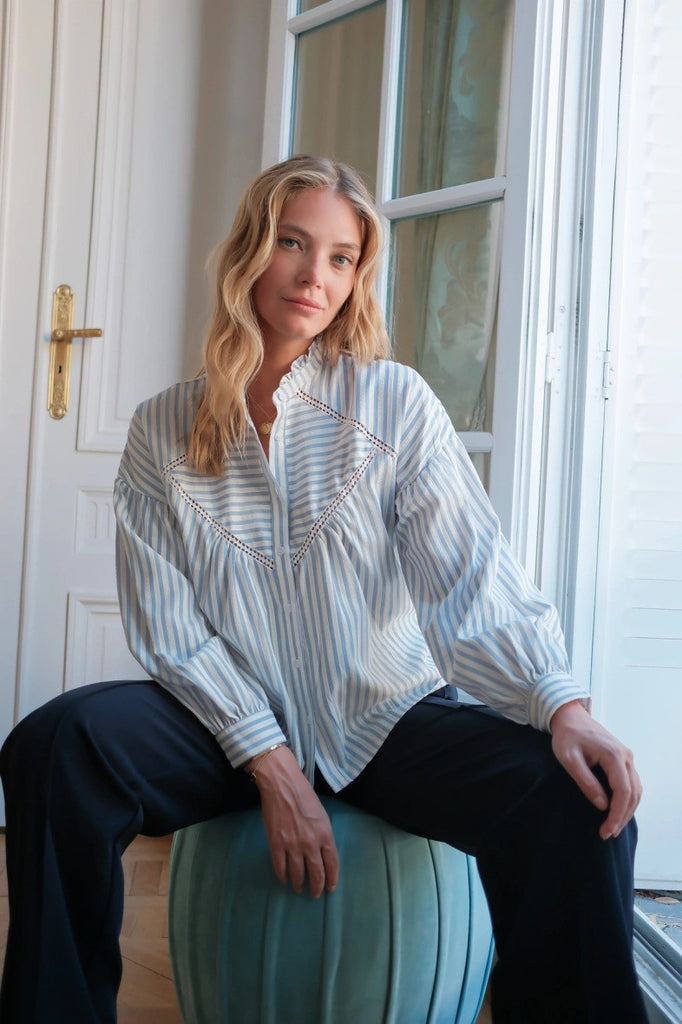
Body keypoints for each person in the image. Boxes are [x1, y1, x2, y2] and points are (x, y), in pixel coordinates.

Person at [1, 155, 646, 1024]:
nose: (315, 275)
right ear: (249, 251)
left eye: (342, 257)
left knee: (576, 793)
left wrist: (559, 702)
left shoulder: (392, 403)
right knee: (56, 747)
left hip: (387, 720)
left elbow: (469, 576)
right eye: (293, 243)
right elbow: (170, 630)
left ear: (356, 279)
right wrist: (269, 763)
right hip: (226, 728)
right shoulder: (162, 429)